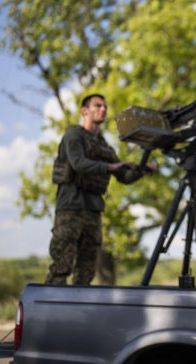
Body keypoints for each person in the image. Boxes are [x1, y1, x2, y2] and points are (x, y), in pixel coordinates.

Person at [46, 94, 158, 285]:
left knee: (87, 270)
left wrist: (143, 168)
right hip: (70, 208)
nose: (103, 109)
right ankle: (48, 312)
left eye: (105, 106)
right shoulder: (73, 135)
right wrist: (109, 167)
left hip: (93, 211)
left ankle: (79, 313)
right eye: (97, 106)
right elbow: (78, 163)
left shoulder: (103, 145)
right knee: (61, 266)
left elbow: (124, 176)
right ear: (84, 110)